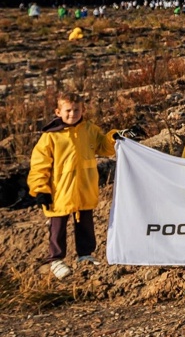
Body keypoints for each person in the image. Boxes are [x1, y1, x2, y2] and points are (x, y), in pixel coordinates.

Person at [28, 92, 124, 280]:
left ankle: (85, 255)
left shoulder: (89, 130)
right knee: (57, 227)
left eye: (76, 110)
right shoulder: (50, 137)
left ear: (83, 110)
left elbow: (104, 147)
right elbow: (39, 165)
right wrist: (40, 189)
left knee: (85, 225)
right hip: (59, 192)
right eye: (68, 110)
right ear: (58, 112)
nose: (72, 114)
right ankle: (55, 259)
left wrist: (114, 137)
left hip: (84, 189)